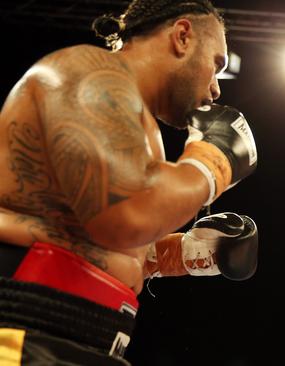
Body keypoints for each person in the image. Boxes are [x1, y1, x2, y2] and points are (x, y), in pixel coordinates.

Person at [0, 0, 259, 364]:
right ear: (182, 36)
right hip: (24, 330)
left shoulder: (137, 124)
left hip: (81, 338)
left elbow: (96, 237)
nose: (216, 89)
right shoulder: (89, 75)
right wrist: (214, 162)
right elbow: (123, 218)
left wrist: (180, 255)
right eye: (216, 65)